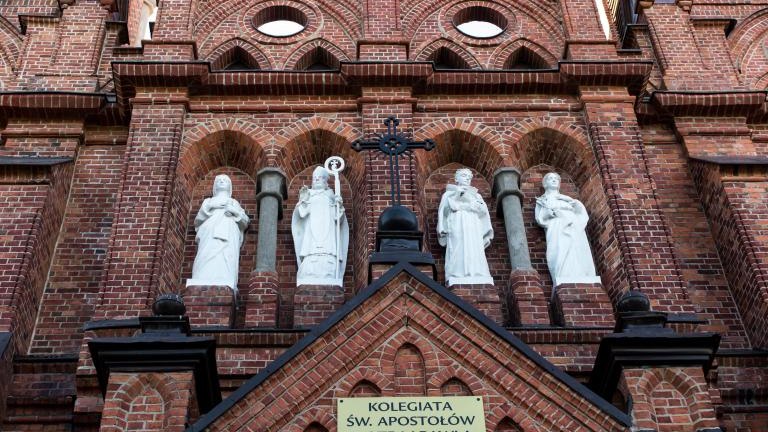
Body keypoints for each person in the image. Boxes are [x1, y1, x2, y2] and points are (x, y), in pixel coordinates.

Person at [534, 172, 600, 287]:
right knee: (560, 249)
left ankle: (581, 273)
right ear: (545, 184)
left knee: (576, 247)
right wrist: (549, 213)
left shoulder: (566, 199)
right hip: (556, 226)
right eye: (550, 178)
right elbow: (540, 218)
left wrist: (570, 201)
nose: (554, 180)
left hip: (572, 225)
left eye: (556, 179)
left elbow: (579, 211)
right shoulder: (543, 200)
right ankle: (563, 274)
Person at [187, 174, 250, 291]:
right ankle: (201, 277)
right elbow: (198, 220)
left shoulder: (234, 203)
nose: (221, 181)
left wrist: (234, 212)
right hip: (210, 233)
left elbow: (245, 221)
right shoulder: (208, 201)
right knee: (207, 252)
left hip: (228, 233)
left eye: (225, 180)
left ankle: (226, 277)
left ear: (229, 186)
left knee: (226, 256)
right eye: (219, 180)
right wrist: (211, 206)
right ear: (214, 186)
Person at [292, 166, 349, 286]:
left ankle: (329, 267)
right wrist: (302, 200)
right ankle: (310, 267)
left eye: (320, 178)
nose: (317, 180)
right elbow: (301, 213)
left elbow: (338, 219)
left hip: (328, 229)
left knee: (328, 247)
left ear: (326, 181)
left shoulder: (330, 196)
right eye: (315, 178)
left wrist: (339, 206)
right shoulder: (309, 195)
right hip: (311, 229)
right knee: (311, 247)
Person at [437, 168, 494, 286]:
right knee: (457, 244)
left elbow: (483, 212)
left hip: (473, 222)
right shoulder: (449, 193)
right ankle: (456, 273)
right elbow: (444, 211)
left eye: (469, 177)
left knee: (474, 246)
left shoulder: (476, 195)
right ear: (456, 178)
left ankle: (478, 272)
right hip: (456, 221)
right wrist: (457, 196)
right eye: (464, 175)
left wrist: (474, 206)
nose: (467, 178)